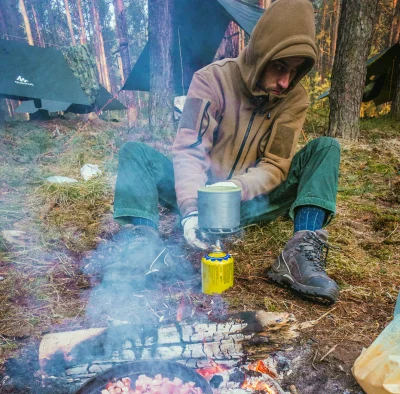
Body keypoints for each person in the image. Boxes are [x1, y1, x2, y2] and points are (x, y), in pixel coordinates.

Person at [112, 0, 341, 303]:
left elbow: (275, 165)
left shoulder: (294, 99)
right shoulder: (211, 80)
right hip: (204, 197)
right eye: (279, 66)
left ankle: (298, 253)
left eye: (295, 71)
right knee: (135, 153)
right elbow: (190, 148)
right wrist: (193, 209)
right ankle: (144, 248)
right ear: (261, 54)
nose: (285, 82)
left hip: (255, 201)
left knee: (325, 148)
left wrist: (236, 187)